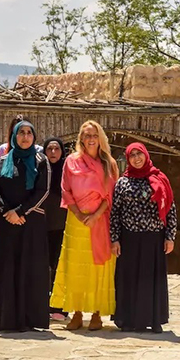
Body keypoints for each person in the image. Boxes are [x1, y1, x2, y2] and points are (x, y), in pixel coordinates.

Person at [50, 120, 118, 331]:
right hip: (76, 221)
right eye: (87, 135)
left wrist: (96, 215)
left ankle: (96, 313)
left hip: (100, 221)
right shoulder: (71, 162)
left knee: (98, 268)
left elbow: (110, 194)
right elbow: (65, 190)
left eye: (94, 135)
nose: (91, 139)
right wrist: (79, 214)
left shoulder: (109, 163)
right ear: (81, 138)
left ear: (100, 138)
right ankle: (77, 312)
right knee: (75, 267)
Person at [0, 121, 51, 331]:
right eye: (21, 132)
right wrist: (6, 211)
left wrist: (20, 212)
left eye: (29, 133)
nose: (25, 136)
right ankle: (2, 317)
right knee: (7, 267)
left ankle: (29, 319)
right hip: (7, 224)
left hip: (31, 224)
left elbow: (43, 191)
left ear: (34, 136)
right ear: (14, 136)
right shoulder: (3, 160)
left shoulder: (41, 161)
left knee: (29, 268)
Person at [110, 142, 177, 334]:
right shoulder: (122, 182)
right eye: (132, 155)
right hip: (128, 238)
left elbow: (170, 208)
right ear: (128, 158)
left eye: (140, 154)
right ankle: (129, 320)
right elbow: (115, 212)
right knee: (129, 280)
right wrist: (114, 239)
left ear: (146, 155)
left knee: (152, 280)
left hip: (154, 238)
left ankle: (154, 320)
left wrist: (170, 236)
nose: (137, 158)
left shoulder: (160, 179)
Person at [42, 137, 68, 320]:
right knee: (43, 267)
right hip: (41, 226)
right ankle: (41, 304)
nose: (52, 152)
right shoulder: (40, 171)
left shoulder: (68, 173)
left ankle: (59, 306)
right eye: (49, 149)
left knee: (59, 267)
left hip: (61, 226)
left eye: (56, 149)